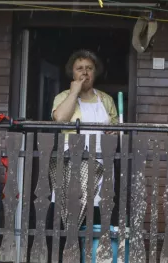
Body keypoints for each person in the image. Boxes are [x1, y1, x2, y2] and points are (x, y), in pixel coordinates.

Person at [50, 50, 118, 217]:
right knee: (69, 210)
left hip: (102, 159)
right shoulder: (63, 97)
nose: (85, 72)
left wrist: (115, 132)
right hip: (71, 161)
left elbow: (116, 130)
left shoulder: (106, 99)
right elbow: (60, 119)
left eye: (89, 68)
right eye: (79, 68)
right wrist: (74, 92)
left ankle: (92, 243)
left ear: (95, 73)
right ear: (72, 72)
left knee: (97, 210)